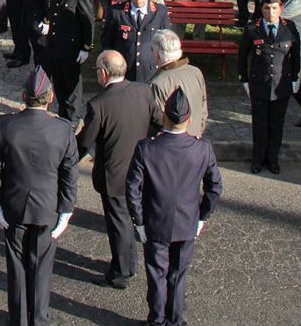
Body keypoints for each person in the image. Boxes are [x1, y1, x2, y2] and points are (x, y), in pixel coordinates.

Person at [0, 68, 79, 326]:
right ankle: (38, 319)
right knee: (42, 269)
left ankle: (19, 320)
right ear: (50, 98)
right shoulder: (62, 129)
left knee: (16, 266)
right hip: (47, 208)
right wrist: (66, 209)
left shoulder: (4, 125)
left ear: (23, 96)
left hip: (13, 205)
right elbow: (70, 173)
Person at [125, 88, 223, 326]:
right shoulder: (202, 148)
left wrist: (138, 221)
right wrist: (202, 217)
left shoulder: (146, 148)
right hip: (187, 221)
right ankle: (175, 320)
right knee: (178, 276)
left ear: (165, 118)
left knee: (157, 274)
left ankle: (157, 320)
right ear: (188, 120)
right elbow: (214, 187)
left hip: (156, 221)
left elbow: (132, 189)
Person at [76, 50, 155, 290]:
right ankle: (129, 262)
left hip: (114, 176)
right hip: (141, 170)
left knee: (119, 223)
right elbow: (159, 123)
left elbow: (84, 142)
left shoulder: (98, 104)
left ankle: (121, 271)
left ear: (103, 73)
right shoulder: (144, 91)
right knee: (131, 219)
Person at [239, 0, 301, 173]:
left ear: (280, 8)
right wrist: (244, 80)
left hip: (281, 84)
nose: (271, 12)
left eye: (274, 8)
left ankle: (272, 159)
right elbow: (243, 56)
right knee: (259, 124)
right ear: (261, 9)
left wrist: (295, 77)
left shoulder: (289, 28)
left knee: (276, 124)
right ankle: (257, 159)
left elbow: (296, 55)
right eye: (267, 8)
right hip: (259, 84)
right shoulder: (253, 29)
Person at [43, 0, 96, 125]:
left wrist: (85, 48)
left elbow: (88, 22)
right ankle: (62, 114)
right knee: (59, 83)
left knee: (72, 85)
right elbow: (52, 10)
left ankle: (72, 120)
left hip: (72, 47)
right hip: (56, 44)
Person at [100, 0, 170, 85]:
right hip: (123, 71)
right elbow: (107, 42)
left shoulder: (160, 12)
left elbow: (166, 42)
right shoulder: (117, 12)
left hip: (150, 71)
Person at [149, 30, 209, 139]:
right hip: (195, 140)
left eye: (152, 50)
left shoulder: (157, 83)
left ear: (158, 54)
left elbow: (159, 121)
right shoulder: (196, 72)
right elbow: (203, 108)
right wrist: (198, 133)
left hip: (172, 146)